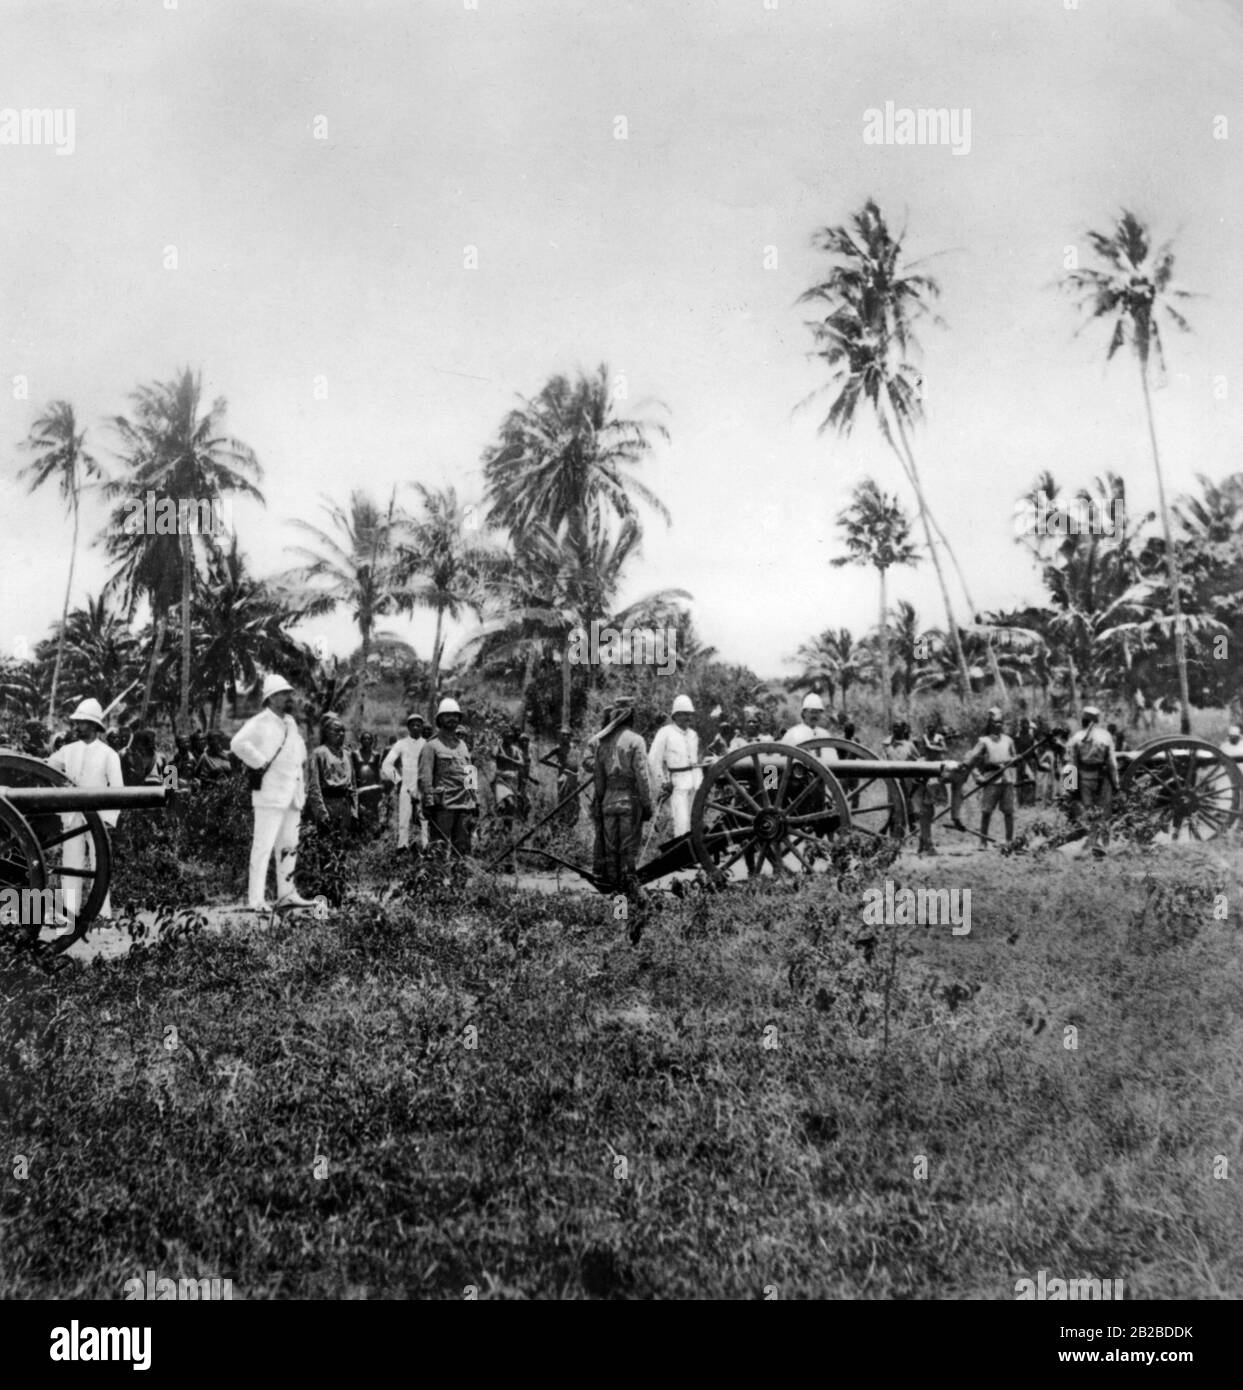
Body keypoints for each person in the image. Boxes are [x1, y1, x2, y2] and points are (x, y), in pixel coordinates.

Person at [230, 674, 315, 912]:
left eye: (288, 693)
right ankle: (256, 899)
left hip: (292, 794)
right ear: (272, 698)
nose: (288, 697)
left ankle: (287, 893)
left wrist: (301, 786)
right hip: (269, 794)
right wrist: (260, 761)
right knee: (263, 846)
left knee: (289, 845)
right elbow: (237, 744)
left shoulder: (290, 723)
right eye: (283, 694)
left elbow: (298, 757)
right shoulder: (260, 721)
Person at [47, 698, 125, 925]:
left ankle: (102, 914)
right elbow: (47, 767)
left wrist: (110, 818)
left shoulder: (108, 754)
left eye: (81, 723)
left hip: (98, 817)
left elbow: (118, 789)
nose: (77, 727)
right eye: (77, 722)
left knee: (100, 863)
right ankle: (69, 914)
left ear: (93, 726)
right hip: (72, 816)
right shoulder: (67, 751)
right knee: (71, 863)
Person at [590, 697, 653, 921]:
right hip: (629, 802)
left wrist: (600, 802)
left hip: (608, 803)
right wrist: (647, 805)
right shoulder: (636, 741)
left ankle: (619, 912)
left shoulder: (601, 742)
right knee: (627, 858)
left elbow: (599, 780)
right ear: (630, 716)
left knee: (611, 858)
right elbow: (642, 777)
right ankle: (633, 911)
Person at [418, 698, 478, 859]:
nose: (452, 719)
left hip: (464, 805)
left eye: (455, 716)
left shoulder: (463, 745)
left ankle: (458, 883)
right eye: (447, 716)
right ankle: (434, 883)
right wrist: (429, 804)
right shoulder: (431, 746)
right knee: (438, 849)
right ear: (440, 720)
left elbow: (470, 773)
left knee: (463, 850)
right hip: (443, 806)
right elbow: (425, 778)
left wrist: (475, 801)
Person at [1066, 704, 1120, 858]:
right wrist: (1116, 784)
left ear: (1083, 720)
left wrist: (1070, 788)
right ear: (1097, 721)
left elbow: (1071, 764)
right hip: (1103, 779)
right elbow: (1112, 763)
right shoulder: (1105, 736)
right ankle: (1105, 845)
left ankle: (1092, 844)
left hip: (1084, 778)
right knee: (1105, 813)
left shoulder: (1076, 738)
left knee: (1089, 812)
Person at [648, 694, 702, 838]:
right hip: (678, 784)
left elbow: (695, 761)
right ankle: (684, 856)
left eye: (690, 714)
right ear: (676, 715)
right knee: (682, 824)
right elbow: (653, 759)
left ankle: (697, 854)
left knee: (696, 822)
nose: (688, 718)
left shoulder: (693, 735)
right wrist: (663, 782)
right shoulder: (665, 733)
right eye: (684, 714)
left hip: (696, 784)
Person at [964, 706, 1018, 848]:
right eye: (995, 722)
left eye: (1000, 722)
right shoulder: (984, 741)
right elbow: (971, 760)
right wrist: (978, 777)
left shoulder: (1008, 740)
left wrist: (1016, 761)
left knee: (1009, 811)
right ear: (989, 724)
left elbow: (1015, 759)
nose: (998, 725)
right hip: (991, 778)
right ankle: (983, 841)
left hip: (1007, 779)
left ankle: (1009, 840)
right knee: (986, 811)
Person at [381, 713, 429, 854]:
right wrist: (398, 780)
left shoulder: (427, 745)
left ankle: (425, 849)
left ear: (422, 727)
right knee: (404, 820)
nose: (416, 727)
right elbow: (387, 764)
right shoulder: (401, 744)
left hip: (422, 787)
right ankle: (402, 848)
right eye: (412, 725)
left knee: (424, 820)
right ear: (408, 727)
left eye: (418, 725)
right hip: (406, 785)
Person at [307, 713, 358, 834]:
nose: (341, 734)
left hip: (346, 805)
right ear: (326, 733)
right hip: (328, 804)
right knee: (328, 844)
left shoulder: (347, 754)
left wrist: (354, 811)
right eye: (336, 731)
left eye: (343, 731)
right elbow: (314, 786)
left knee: (345, 845)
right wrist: (322, 814)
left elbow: (353, 784)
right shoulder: (319, 753)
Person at [539, 726, 580, 827]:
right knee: (564, 802)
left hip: (574, 777)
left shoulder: (573, 747)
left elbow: (576, 761)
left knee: (575, 803)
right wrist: (557, 765)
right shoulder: (558, 748)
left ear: (570, 736)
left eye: (567, 735)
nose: (565, 737)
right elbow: (542, 759)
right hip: (564, 776)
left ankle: (571, 825)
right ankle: (561, 825)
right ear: (560, 736)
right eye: (563, 735)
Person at [351, 731, 384, 837]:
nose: (366, 741)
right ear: (360, 741)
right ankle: (361, 834)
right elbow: (352, 770)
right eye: (364, 739)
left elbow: (379, 770)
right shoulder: (355, 754)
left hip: (373, 785)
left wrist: (381, 785)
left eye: (369, 739)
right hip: (360, 786)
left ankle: (375, 834)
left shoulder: (376, 754)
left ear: (372, 741)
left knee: (373, 810)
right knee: (360, 810)